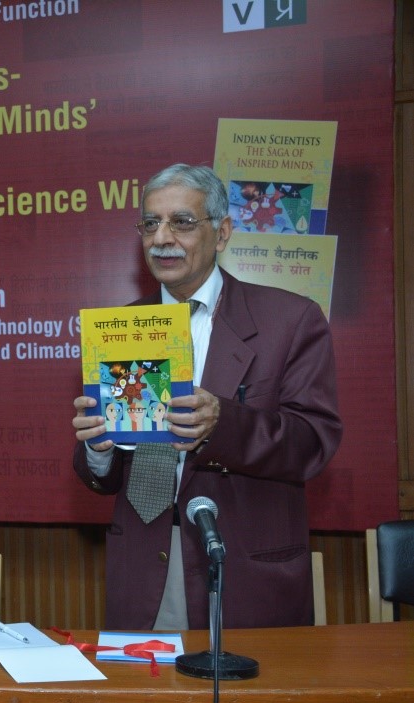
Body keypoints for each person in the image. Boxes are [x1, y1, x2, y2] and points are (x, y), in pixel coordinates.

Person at [71, 163, 341, 630]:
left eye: (182, 222)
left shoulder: (290, 319)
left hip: (242, 571)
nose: (162, 238)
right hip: (143, 569)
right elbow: (106, 476)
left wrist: (223, 423)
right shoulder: (119, 329)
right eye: (150, 224)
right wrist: (98, 449)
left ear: (222, 233)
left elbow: (313, 443)